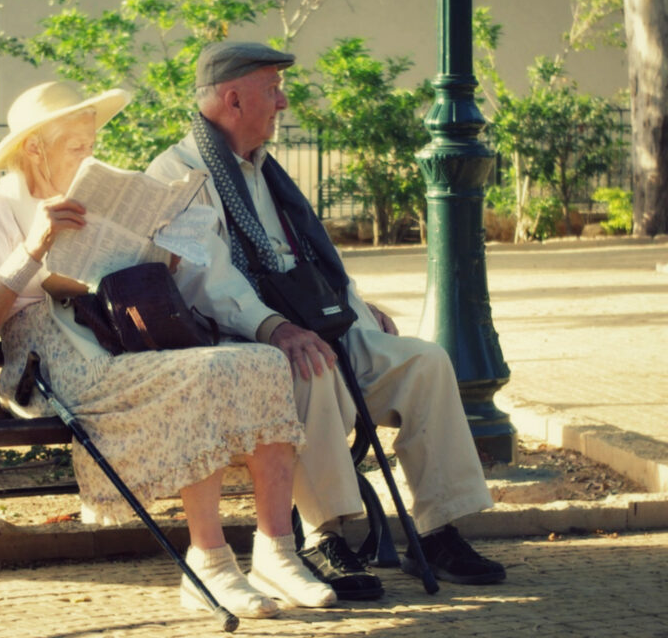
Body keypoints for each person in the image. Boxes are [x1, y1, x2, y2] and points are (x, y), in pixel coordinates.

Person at [0, 81, 338, 619]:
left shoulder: (91, 197)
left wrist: (159, 252)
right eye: (76, 146)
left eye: (91, 143)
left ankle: (276, 551)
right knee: (199, 375)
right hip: (49, 360)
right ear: (34, 147)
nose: (90, 155)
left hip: (117, 337)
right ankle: (209, 562)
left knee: (262, 361)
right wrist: (33, 246)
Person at [147, 42, 507, 599]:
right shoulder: (178, 171)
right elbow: (204, 278)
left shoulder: (266, 171)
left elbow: (310, 261)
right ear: (233, 98)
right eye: (273, 90)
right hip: (249, 341)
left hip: (315, 326)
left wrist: (358, 311)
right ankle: (324, 535)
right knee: (309, 366)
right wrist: (275, 328)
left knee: (425, 361)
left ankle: (437, 530)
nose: (284, 102)